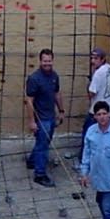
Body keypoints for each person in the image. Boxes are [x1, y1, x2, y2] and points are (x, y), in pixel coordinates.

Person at [24, 48, 64, 187]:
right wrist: (32, 121)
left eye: (49, 60)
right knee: (43, 146)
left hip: (51, 116)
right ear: (40, 61)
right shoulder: (34, 79)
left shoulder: (54, 76)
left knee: (44, 143)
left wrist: (61, 110)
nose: (47, 63)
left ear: (53, 60)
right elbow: (29, 101)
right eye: (44, 61)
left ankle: (32, 161)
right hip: (41, 119)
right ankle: (39, 174)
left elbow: (57, 94)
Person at [80, 47, 110, 158]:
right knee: (106, 136)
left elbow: (91, 94)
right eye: (92, 58)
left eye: (96, 58)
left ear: (103, 59)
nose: (93, 61)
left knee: (89, 135)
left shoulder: (98, 74)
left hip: (97, 112)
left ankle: (85, 160)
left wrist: (88, 85)